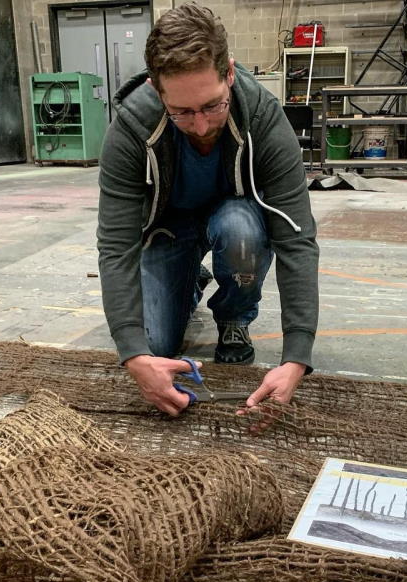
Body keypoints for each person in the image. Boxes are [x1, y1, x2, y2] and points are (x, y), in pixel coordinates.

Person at [97, 3, 319, 416]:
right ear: (156, 89)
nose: (200, 125)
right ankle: (190, 280)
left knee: (241, 231)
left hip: (235, 225)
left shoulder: (263, 119)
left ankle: (234, 316)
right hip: (168, 231)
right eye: (181, 111)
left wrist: (296, 356)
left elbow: (296, 236)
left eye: (212, 106)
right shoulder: (130, 129)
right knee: (155, 346)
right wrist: (132, 353)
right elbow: (116, 246)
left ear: (229, 74)